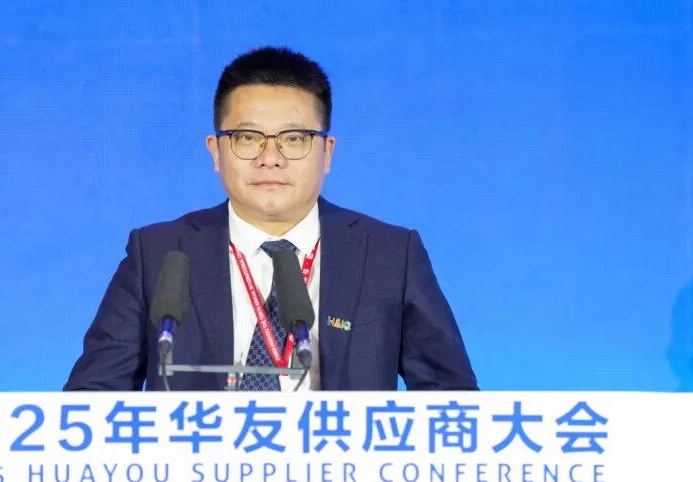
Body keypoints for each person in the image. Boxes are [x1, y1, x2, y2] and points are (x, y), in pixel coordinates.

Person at [64, 47, 477, 391]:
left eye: (295, 139)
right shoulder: (159, 253)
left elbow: (454, 400)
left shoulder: (390, 255)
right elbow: (91, 399)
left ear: (328, 153)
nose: (271, 157)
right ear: (215, 151)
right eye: (247, 138)